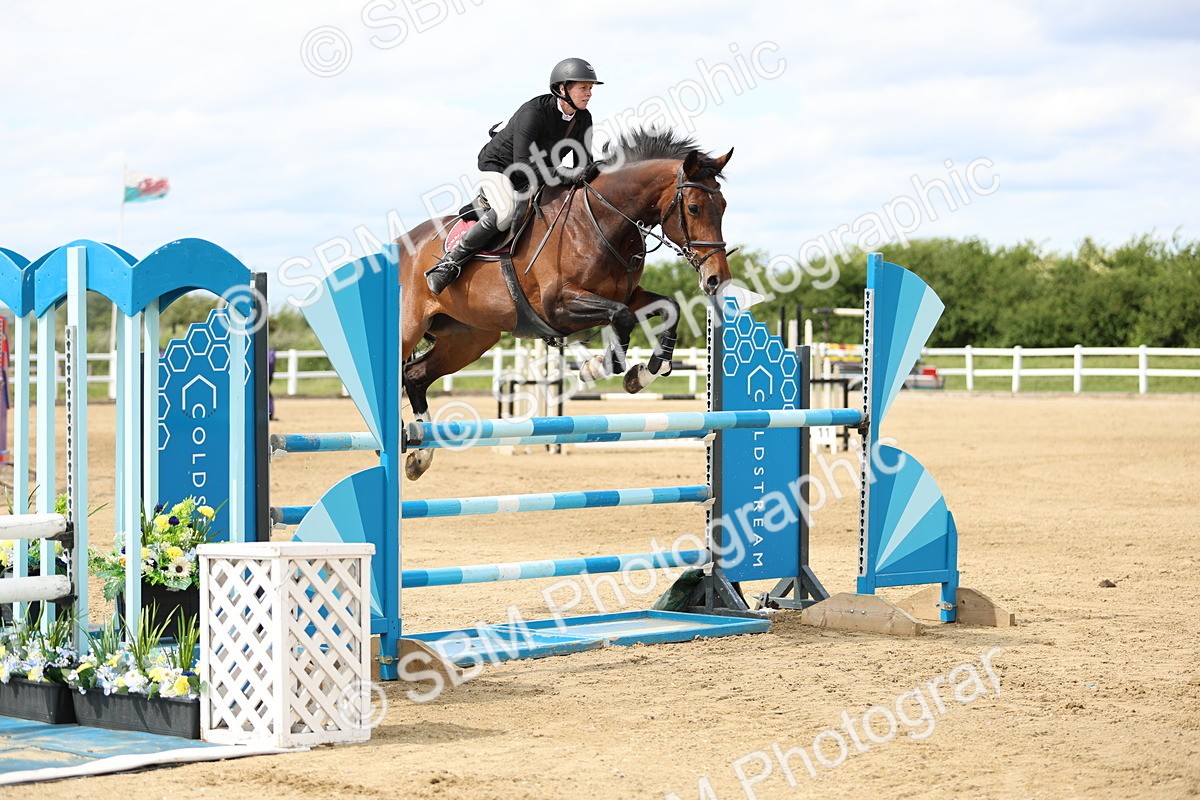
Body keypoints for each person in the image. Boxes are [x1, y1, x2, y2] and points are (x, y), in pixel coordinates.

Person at [425, 57, 603, 295]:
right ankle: (449, 264)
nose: (589, 93)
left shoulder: (584, 118)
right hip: (501, 168)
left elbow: (583, 163)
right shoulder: (533, 112)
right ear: (562, 89)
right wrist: (566, 174)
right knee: (506, 212)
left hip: (539, 174)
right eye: (583, 88)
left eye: (590, 88)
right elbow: (522, 165)